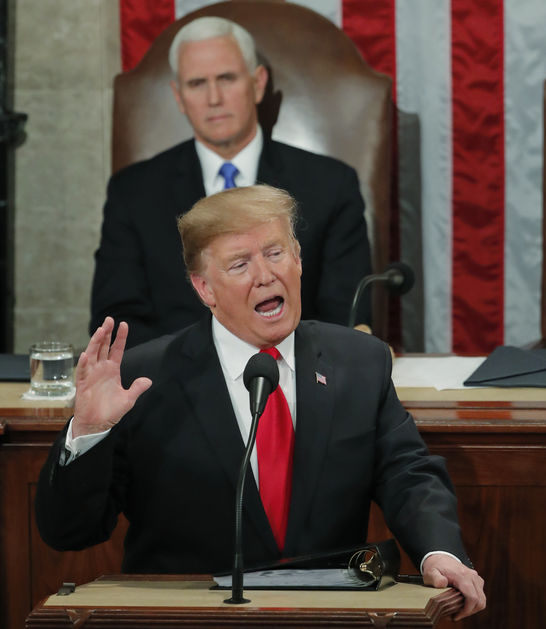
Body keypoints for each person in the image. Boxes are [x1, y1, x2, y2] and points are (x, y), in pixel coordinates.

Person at [37, 185, 485, 621]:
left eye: (275, 253)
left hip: (327, 617)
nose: (265, 275)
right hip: (187, 620)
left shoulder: (359, 362)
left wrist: (438, 550)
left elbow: (406, 474)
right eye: (239, 264)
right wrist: (88, 432)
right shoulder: (143, 379)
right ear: (204, 288)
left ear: (298, 260)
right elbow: (70, 532)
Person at [90, 16, 372, 348]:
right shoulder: (134, 192)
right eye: (197, 84)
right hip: (176, 387)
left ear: (257, 83)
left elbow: (343, 319)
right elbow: (117, 320)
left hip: (294, 385)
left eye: (226, 78)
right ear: (178, 96)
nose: (214, 98)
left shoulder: (330, 185)